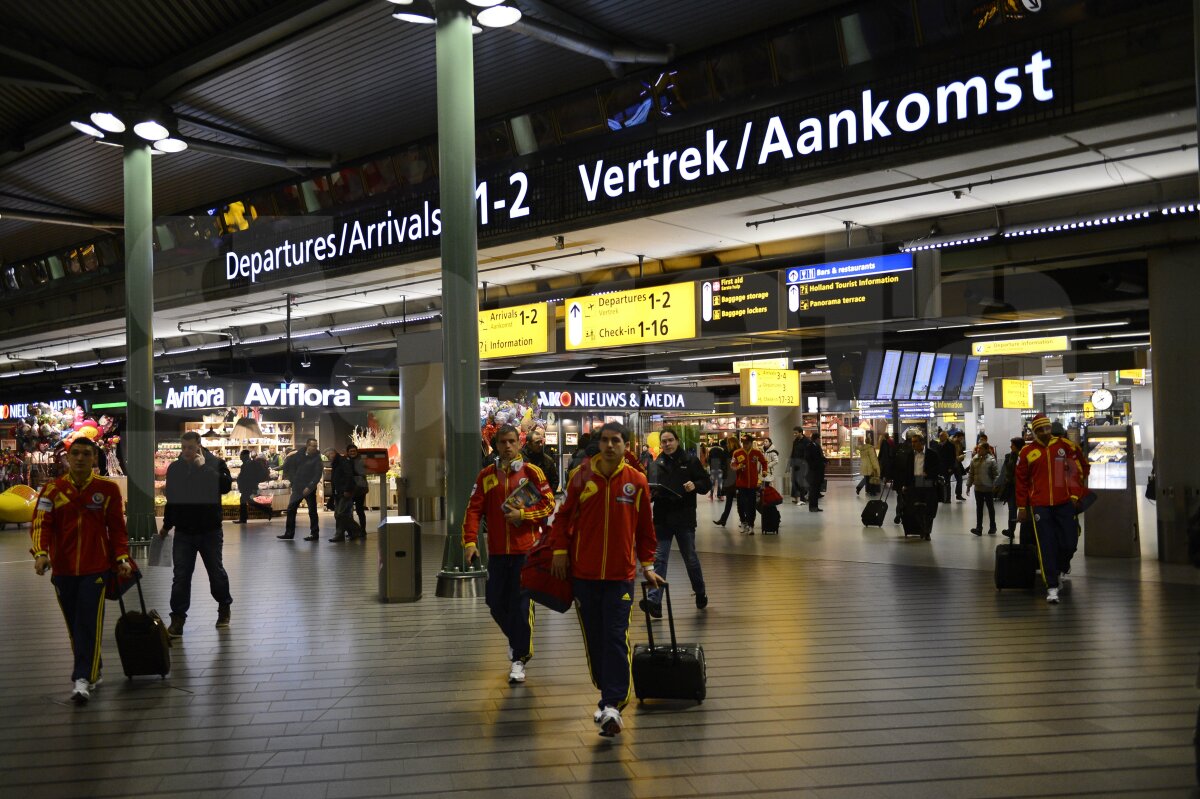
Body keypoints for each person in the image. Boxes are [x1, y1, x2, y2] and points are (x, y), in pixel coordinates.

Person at [549, 422, 662, 737]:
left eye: (616, 441)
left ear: (626, 445)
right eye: (605, 440)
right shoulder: (581, 477)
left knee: (615, 635)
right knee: (595, 638)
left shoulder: (637, 481)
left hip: (620, 577)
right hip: (583, 575)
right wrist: (559, 551)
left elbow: (645, 528)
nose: (610, 445)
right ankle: (607, 688)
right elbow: (563, 517)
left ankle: (612, 703)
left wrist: (648, 565)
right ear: (598, 444)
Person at [31, 438, 132, 704]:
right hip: (63, 571)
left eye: (86, 454)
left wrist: (122, 557)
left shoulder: (107, 489)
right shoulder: (52, 490)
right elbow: (41, 524)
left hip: (96, 569)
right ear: (67, 457)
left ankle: (81, 678)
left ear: (94, 459)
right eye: (74, 453)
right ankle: (92, 668)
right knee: (74, 626)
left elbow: (118, 529)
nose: (79, 458)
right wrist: (40, 554)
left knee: (88, 620)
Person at [463, 424, 555, 684]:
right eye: (502, 442)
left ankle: (519, 658)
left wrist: (523, 514)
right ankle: (517, 642)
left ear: (519, 442)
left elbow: (548, 504)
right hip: (498, 553)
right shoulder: (486, 476)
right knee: (494, 602)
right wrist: (470, 543)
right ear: (495, 444)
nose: (507, 446)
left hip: (527, 552)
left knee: (521, 605)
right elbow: (473, 510)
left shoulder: (532, 472)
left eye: (512, 441)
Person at [161, 430, 235, 637]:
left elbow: (225, 487)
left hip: (209, 530)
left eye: (190, 448)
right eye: (183, 448)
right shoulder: (174, 469)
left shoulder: (215, 464)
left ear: (199, 446)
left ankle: (224, 606)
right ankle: (177, 619)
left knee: (215, 572)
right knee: (181, 576)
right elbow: (172, 498)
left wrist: (204, 469)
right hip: (184, 531)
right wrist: (167, 525)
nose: (186, 452)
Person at [1015, 414, 1089, 604]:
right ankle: (1052, 586)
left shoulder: (1065, 446)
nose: (1046, 432)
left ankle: (1061, 567)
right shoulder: (1027, 452)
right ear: (1034, 431)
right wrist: (1022, 506)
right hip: (1040, 505)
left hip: (1065, 502)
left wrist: (1074, 495)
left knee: (1069, 542)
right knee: (1045, 544)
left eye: (1048, 428)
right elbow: (1021, 481)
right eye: (1041, 430)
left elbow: (1078, 470)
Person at [641, 427, 712, 619]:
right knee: (660, 559)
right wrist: (651, 494)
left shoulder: (690, 461)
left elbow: (706, 484)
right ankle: (654, 601)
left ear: (677, 441)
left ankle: (700, 592)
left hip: (684, 518)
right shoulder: (656, 464)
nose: (667, 444)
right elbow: (650, 491)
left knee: (690, 559)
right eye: (663, 441)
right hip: (662, 518)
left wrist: (695, 485)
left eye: (670, 440)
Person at [892, 433, 942, 540]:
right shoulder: (911, 455)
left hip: (927, 483)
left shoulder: (932, 454)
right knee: (915, 508)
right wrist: (905, 484)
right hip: (915, 483)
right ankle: (922, 529)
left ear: (922, 443)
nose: (913, 444)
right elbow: (908, 471)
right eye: (912, 442)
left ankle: (927, 531)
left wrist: (928, 474)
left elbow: (938, 468)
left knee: (929, 509)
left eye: (915, 442)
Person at [279, 438, 323, 542]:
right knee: (291, 509)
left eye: (316, 446)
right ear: (307, 445)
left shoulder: (317, 458)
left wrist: (310, 486)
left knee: (312, 511)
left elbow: (317, 474)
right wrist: (293, 481)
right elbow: (291, 469)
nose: (315, 448)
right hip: (297, 488)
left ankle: (314, 534)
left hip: (309, 489)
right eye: (313, 446)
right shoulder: (298, 455)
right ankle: (289, 533)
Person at [326, 447, 365, 542]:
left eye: (328, 455)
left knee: (340, 514)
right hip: (339, 492)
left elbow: (349, 476)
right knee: (339, 514)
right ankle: (351, 533)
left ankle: (355, 530)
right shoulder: (336, 463)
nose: (328, 458)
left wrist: (347, 489)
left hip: (345, 492)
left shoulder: (342, 461)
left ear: (333, 453)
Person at [731, 434, 768, 533]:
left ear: (751, 443)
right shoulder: (737, 453)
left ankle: (751, 525)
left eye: (747, 443)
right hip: (740, 484)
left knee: (751, 506)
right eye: (743, 443)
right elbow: (732, 465)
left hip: (753, 484)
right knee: (741, 505)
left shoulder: (757, 452)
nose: (745, 445)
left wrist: (764, 471)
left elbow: (764, 462)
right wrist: (738, 467)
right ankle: (743, 522)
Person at [966, 442, 999, 535]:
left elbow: (996, 475)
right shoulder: (974, 459)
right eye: (977, 448)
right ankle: (979, 528)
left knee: (990, 508)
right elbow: (971, 474)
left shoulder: (991, 460)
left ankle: (993, 526)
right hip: (978, 488)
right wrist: (968, 486)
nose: (978, 450)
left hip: (988, 488)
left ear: (985, 450)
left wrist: (995, 485)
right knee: (979, 508)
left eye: (980, 448)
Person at [995, 437, 1023, 538]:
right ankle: (1011, 530)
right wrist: (997, 484)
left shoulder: (1025, 456)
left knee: (1024, 510)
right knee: (1012, 509)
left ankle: (1024, 531)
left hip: (1023, 487)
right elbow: (1003, 473)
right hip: (1011, 487)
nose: (1010, 446)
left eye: (1013, 445)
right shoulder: (1008, 457)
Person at [235, 450, 272, 523]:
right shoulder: (249, 463)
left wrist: (241, 480)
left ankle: (243, 519)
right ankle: (267, 510)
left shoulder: (248, 464)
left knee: (244, 500)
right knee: (249, 501)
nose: (240, 457)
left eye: (241, 455)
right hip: (250, 486)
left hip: (249, 486)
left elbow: (246, 476)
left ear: (244, 456)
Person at [521, 428, 559, 495]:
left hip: (543, 500)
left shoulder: (548, 460)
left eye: (541, 442)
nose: (540, 444)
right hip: (523, 501)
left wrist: (549, 495)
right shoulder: (519, 459)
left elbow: (554, 481)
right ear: (528, 444)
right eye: (537, 442)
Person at [345, 444, 369, 534]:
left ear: (357, 452)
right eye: (351, 451)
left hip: (360, 489)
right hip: (350, 488)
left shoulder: (361, 461)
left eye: (354, 451)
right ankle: (353, 531)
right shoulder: (346, 461)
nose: (352, 453)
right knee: (349, 512)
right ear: (347, 452)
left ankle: (363, 530)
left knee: (360, 510)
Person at [805, 432, 828, 513]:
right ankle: (812, 507)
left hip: (818, 471)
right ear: (816, 438)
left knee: (817, 490)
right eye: (819, 438)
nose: (820, 440)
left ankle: (816, 506)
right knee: (813, 490)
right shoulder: (809, 446)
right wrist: (816, 464)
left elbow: (821, 456)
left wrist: (825, 461)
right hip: (813, 471)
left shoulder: (817, 446)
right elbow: (808, 459)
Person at [789, 427, 810, 504]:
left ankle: (802, 498)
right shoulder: (795, 441)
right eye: (794, 433)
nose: (794, 434)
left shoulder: (807, 441)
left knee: (801, 481)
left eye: (796, 433)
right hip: (795, 463)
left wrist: (804, 462)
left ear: (801, 432)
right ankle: (796, 497)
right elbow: (793, 452)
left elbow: (807, 453)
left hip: (803, 464)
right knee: (794, 481)